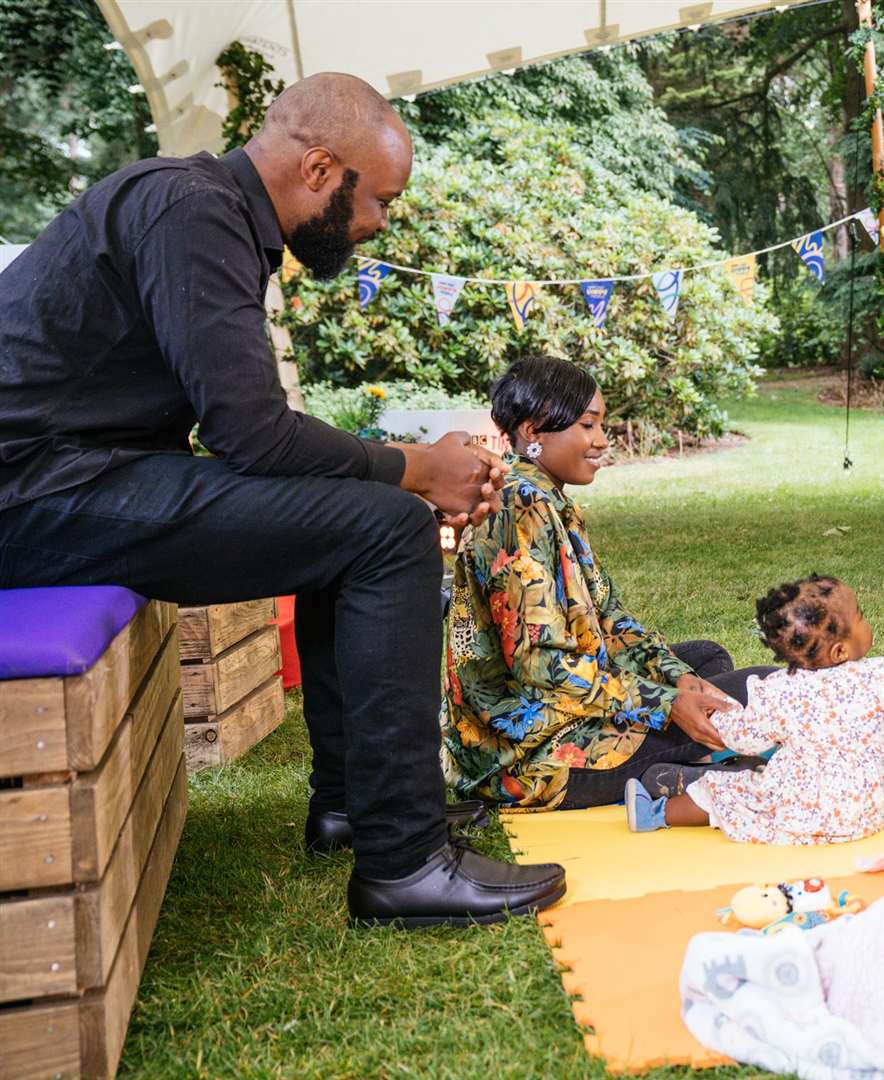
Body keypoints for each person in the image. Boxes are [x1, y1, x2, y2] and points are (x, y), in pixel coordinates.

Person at [0, 73, 566, 928]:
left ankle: (349, 804)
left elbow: (250, 434)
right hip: (34, 492)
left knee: (356, 520)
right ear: (317, 167)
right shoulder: (190, 212)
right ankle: (404, 864)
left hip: (76, 475)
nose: (381, 223)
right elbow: (254, 435)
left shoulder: (206, 210)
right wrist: (417, 468)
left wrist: (394, 469)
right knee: (383, 528)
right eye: (378, 198)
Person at [442, 356, 770, 811]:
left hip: (564, 708)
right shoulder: (520, 509)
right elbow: (540, 668)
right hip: (527, 755)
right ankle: (696, 773)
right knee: (763, 688)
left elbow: (610, 622)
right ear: (534, 431)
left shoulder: (549, 501)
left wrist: (677, 681)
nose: (601, 440)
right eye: (587, 424)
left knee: (704, 661)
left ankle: (694, 770)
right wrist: (663, 702)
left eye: (601, 425)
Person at [624, 574, 884, 844]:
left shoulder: (780, 691)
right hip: (869, 813)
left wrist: (719, 710)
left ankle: (656, 813)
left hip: (797, 816)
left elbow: (744, 736)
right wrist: (882, 743)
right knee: (769, 774)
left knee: (725, 794)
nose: (867, 621)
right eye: (862, 616)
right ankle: (728, 767)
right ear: (840, 651)